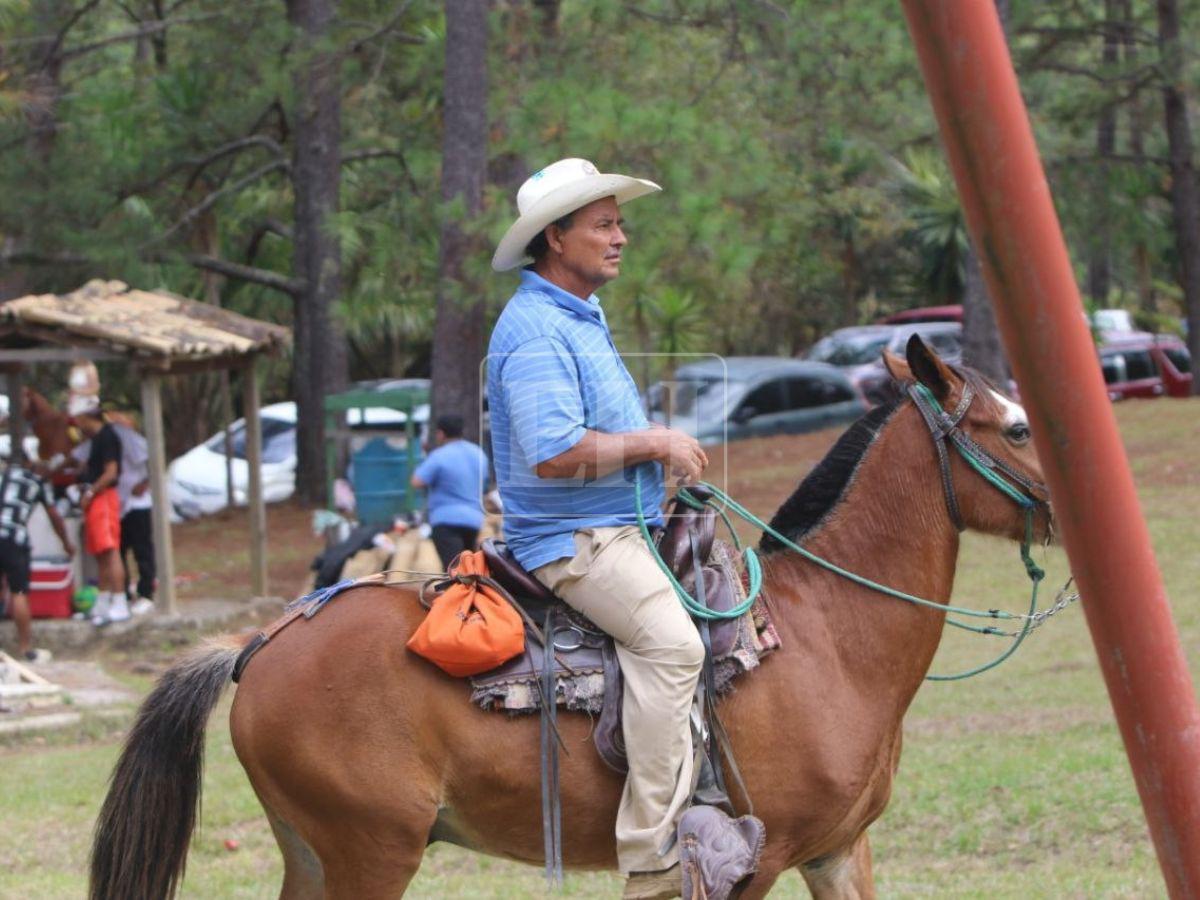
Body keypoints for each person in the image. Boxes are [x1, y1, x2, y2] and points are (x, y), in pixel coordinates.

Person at [486, 157, 709, 899]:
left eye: (620, 223)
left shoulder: (576, 312)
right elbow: (553, 454)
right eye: (604, 224)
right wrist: (657, 444)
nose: (621, 237)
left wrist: (659, 464)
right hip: (574, 543)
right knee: (674, 646)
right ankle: (653, 865)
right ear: (555, 237)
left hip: (619, 522)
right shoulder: (536, 330)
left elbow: (600, 430)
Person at [0, 457, 75, 661]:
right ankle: (25, 648)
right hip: (15, 540)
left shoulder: (4, 474)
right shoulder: (37, 482)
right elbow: (54, 516)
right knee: (19, 592)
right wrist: (66, 543)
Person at [70, 402, 128, 626]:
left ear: (85, 416)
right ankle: (103, 603)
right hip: (94, 500)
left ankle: (120, 601)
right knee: (100, 554)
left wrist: (92, 490)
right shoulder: (95, 439)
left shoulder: (108, 436)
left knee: (110, 549)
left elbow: (111, 472)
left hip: (103, 498)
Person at [410, 414, 490, 569]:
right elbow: (484, 483)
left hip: (445, 520)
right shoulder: (478, 453)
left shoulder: (439, 456)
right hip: (473, 520)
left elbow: (417, 481)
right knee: (469, 569)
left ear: (440, 434)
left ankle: (455, 593)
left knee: (454, 571)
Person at [111, 419, 155, 615]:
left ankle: (146, 593)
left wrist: (145, 482)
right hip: (118, 504)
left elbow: (153, 459)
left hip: (138, 505)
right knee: (119, 551)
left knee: (142, 551)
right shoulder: (108, 439)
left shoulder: (135, 440)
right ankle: (125, 594)